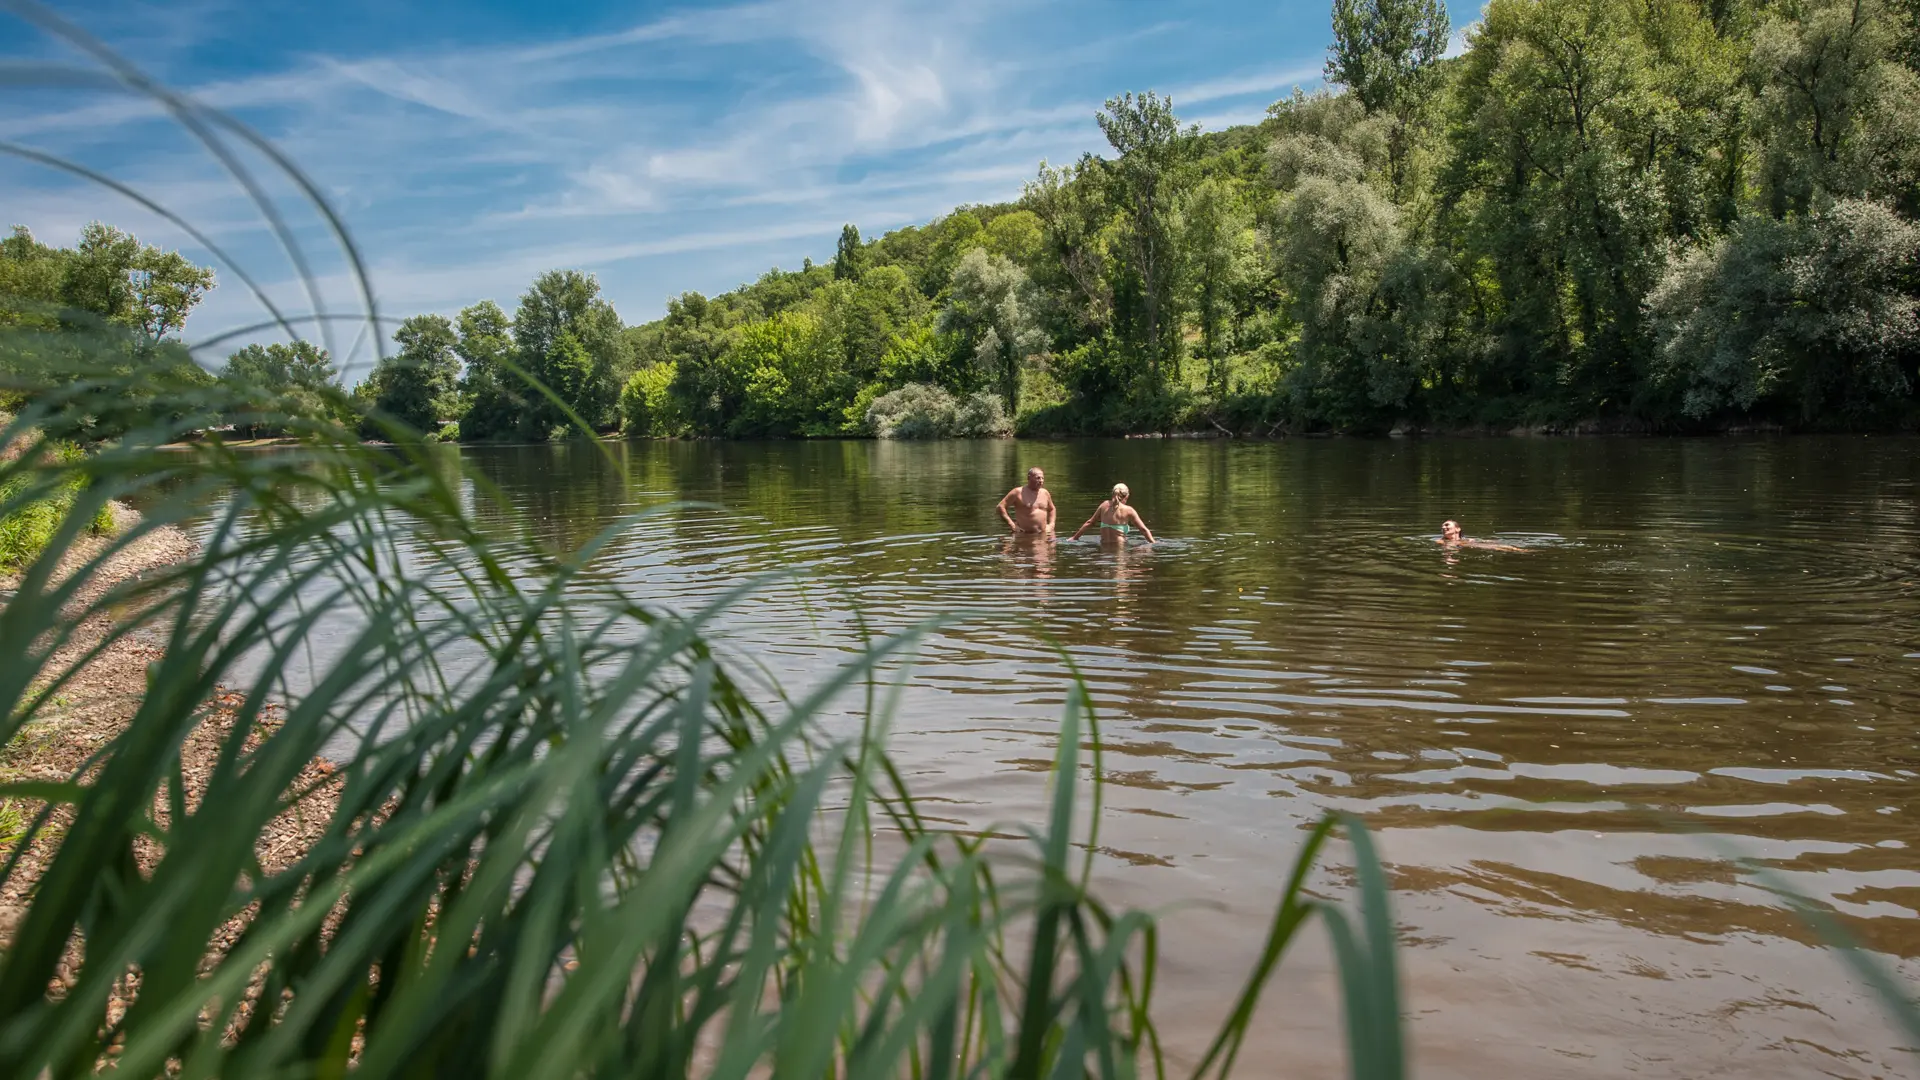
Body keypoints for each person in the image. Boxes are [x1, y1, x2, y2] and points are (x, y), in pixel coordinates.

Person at [1070, 483, 1156, 544]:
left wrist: (1074, 538)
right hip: (1120, 548)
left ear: (1112, 494)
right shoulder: (1129, 510)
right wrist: (1153, 543)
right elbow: (1143, 530)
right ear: (1127, 496)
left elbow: (1090, 523)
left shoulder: (1104, 506)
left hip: (1104, 547)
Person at [998, 466, 1056, 536]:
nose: (1041, 481)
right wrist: (1012, 524)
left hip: (1044, 535)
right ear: (1029, 478)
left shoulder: (1045, 493)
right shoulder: (1017, 492)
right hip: (1024, 535)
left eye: (1042, 478)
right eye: (1038, 478)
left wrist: (1051, 524)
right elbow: (1000, 507)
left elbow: (1052, 509)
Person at [1436, 519, 1524, 552]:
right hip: (1474, 547)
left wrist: (1489, 541)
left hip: (1473, 545)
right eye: (1442, 526)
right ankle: (1520, 550)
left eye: (1447, 525)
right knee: (1496, 547)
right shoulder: (1440, 541)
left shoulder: (1467, 539)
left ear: (1457, 529)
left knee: (1500, 546)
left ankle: (1521, 550)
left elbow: (1478, 541)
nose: (1443, 527)